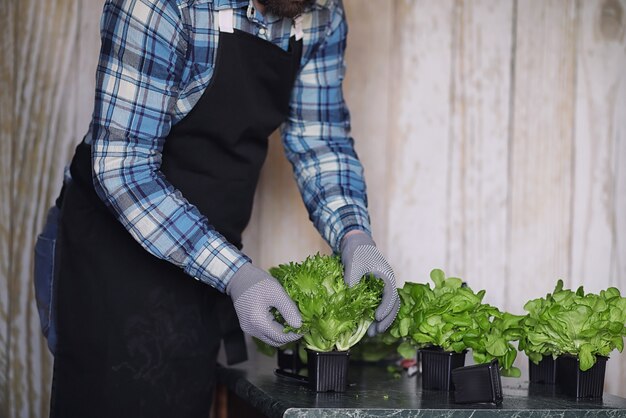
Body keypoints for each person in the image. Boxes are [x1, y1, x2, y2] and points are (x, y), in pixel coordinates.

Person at [47, 0, 399, 416]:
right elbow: (122, 169)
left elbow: (319, 140)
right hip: (114, 262)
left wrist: (354, 235)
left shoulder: (321, 11)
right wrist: (235, 273)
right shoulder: (160, 5)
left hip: (209, 266)